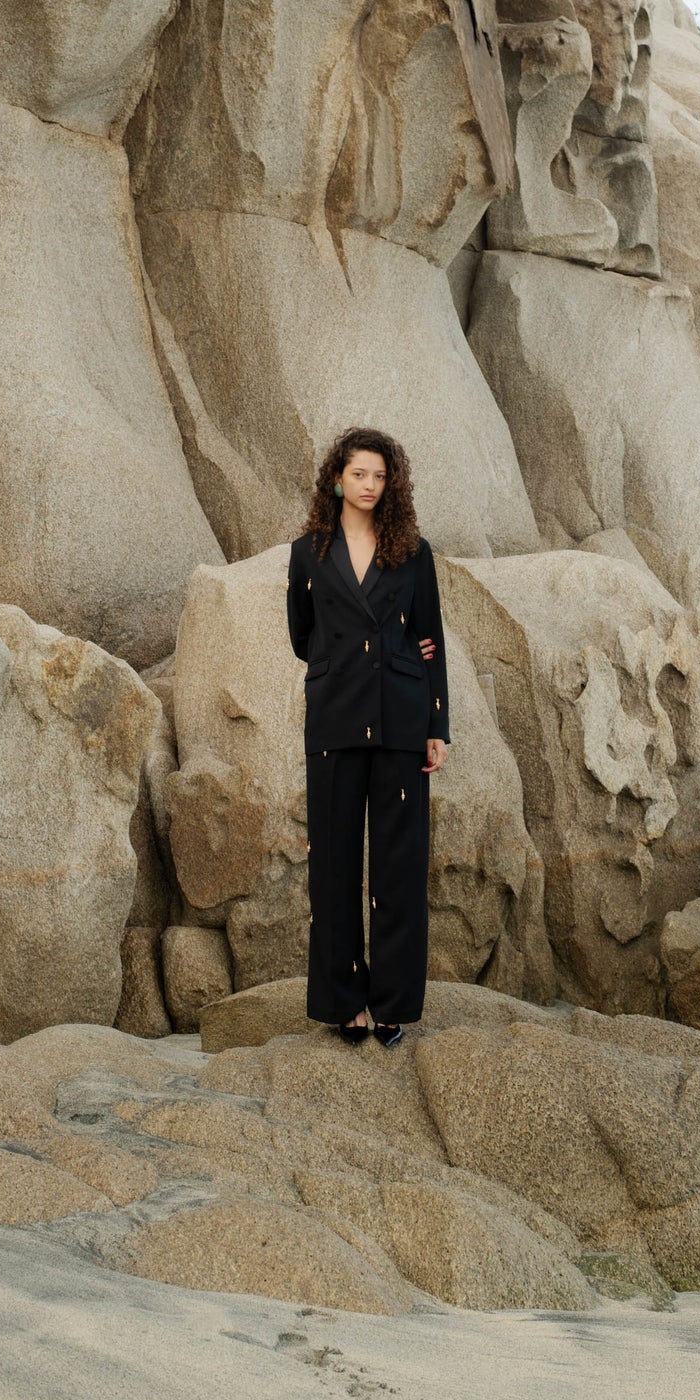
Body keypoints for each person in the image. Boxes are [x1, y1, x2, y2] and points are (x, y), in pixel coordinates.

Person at [285, 426, 450, 1048]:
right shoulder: (307, 552)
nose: (369, 485)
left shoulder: (414, 552)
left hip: (401, 720)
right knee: (332, 865)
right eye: (359, 474)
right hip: (334, 718)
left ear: (391, 484)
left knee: (399, 867)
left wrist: (436, 726)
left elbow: (431, 638)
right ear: (337, 478)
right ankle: (343, 1002)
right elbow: (302, 635)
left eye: (380, 476)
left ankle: (392, 1005)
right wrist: (350, 661)